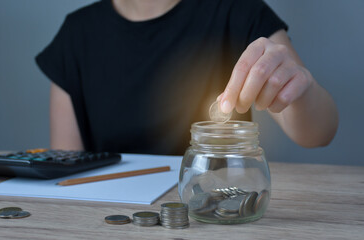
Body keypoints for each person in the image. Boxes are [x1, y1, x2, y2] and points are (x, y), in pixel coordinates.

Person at [36, 0, 338, 155]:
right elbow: (67, 167)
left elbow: (318, 133)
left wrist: (301, 90)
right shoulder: (76, 35)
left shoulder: (239, 10)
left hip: (214, 208)